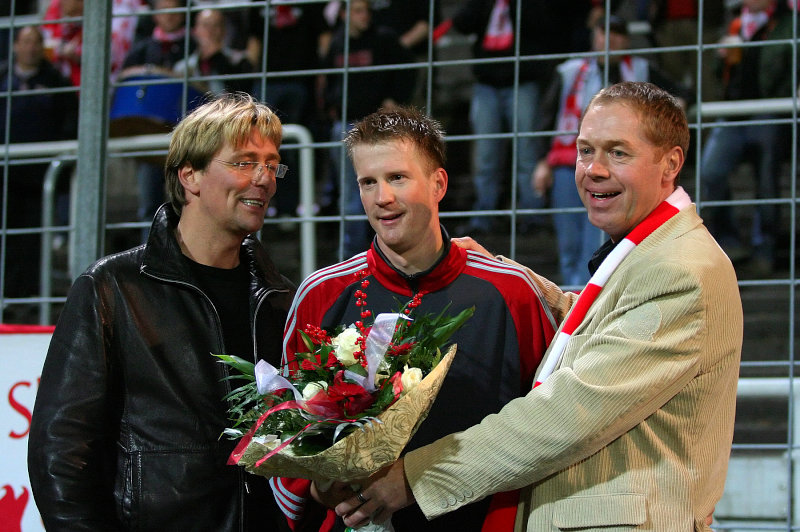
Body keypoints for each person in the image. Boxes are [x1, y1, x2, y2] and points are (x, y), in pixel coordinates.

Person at [335, 82, 743, 531]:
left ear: (671, 164)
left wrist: (414, 477)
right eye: (585, 150)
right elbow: (600, 330)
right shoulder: (655, 252)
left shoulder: (679, 270)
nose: (594, 170)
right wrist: (510, 276)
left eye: (618, 153)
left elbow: (568, 413)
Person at [270, 106, 557, 531]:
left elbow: (549, 423)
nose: (382, 197)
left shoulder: (512, 293)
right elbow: (280, 429)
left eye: (397, 178)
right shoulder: (321, 293)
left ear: (438, 183)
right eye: (368, 182)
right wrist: (316, 488)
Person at [27, 93, 295, 531]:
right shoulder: (112, 287)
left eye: (272, 164)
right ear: (190, 175)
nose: (264, 179)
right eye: (244, 163)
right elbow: (61, 451)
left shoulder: (280, 297)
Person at [533, 15, 687, 286]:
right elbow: (545, 118)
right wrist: (542, 161)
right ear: (594, 37)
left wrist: (676, 109)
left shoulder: (641, 68)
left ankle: (589, 295)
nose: (609, 40)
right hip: (566, 164)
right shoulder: (569, 71)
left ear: (626, 40)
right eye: (603, 33)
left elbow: (681, 95)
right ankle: (576, 297)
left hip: (612, 170)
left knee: (597, 239)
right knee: (569, 242)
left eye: (617, 34)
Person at [442, 0, 578, 235]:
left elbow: (544, 25)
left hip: (523, 81)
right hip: (486, 83)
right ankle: (484, 216)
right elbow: (462, 23)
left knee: (527, 152)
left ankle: (532, 216)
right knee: (485, 155)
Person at [699, 0, 795, 275]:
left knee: (767, 178)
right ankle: (729, 242)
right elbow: (718, 74)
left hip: (770, 109)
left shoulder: (788, 23)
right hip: (733, 111)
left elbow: (788, 67)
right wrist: (721, 59)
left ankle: (764, 249)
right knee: (710, 172)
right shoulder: (735, 22)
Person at [319, 0, 416, 257]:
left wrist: (395, 100)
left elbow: (407, 70)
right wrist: (330, 104)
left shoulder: (383, 38)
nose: (365, 16)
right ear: (344, 14)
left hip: (378, 127)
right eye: (358, 11)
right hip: (346, 124)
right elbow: (328, 79)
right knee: (350, 195)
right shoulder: (338, 42)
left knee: (383, 191)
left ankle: (382, 252)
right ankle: (352, 256)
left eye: (366, 11)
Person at [0, 26, 78, 310]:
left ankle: (33, 297)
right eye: (25, 42)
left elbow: (71, 121)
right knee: (6, 236)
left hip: (40, 176)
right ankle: (7, 296)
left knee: (35, 238)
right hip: (5, 175)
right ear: (15, 46)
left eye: (36, 42)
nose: (30, 48)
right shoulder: (3, 77)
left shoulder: (56, 80)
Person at [173, 8, 254, 94]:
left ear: (224, 30)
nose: (210, 31)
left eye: (216, 25)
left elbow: (241, 93)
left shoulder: (239, 62)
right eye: (205, 25)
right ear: (195, 31)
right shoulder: (183, 68)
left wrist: (218, 57)